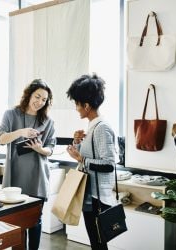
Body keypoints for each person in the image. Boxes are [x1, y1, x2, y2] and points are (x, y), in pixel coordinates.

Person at [0, 79, 56, 250]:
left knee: (35, 220)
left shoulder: (48, 121)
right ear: (28, 94)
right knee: (15, 222)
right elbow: (1, 139)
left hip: (37, 177)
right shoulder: (11, 114)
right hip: (15, 176)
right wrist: (21, 132)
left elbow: (51, 148)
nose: (39, 102)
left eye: (44, 100)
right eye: (37, 96)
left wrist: (40, 149)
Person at [66, 74, 116, 250]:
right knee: (96, 241)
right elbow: (91, 156)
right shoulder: (93, 126)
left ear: (86, 106)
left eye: (77, 104)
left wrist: (81, 159)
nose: (76, 108)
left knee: (99, 243)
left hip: (97, 198)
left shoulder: (102, 128)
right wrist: (77, 144)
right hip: (91, 193)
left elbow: (109, 165)